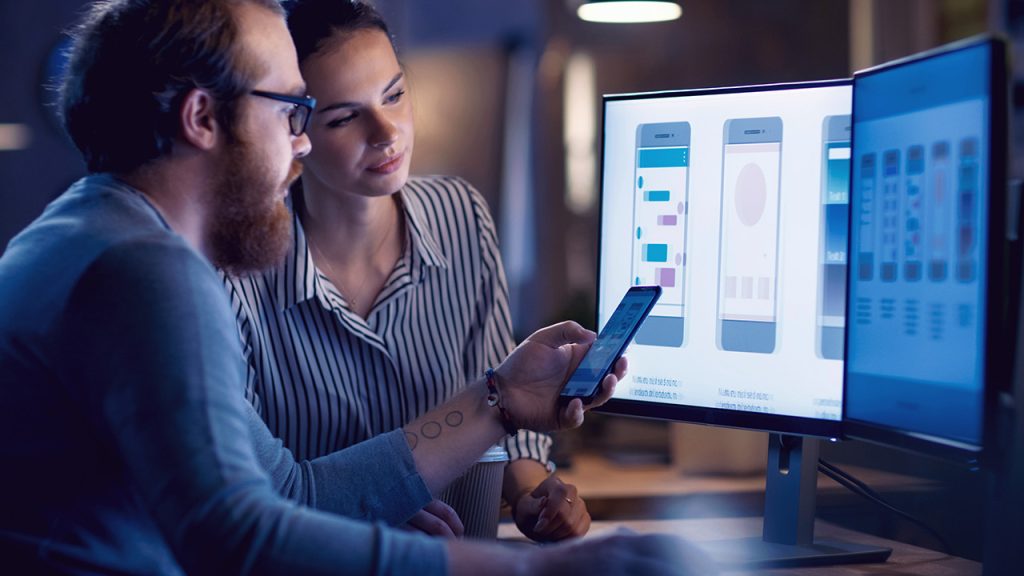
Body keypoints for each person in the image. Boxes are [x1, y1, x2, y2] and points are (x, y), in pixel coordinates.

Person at [0, 0, 717, 574]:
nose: (303, 142)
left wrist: (499, 399)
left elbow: (290, 496)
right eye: (293, 111)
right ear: (202, 118)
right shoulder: (146, 272)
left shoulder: (80, 237)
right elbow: (240, 544)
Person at [221, 0, 585, 542]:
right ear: (292, 129)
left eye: (394, 94)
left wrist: (535, 495)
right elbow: (243, 494)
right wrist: (357, 510)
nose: (387, 132)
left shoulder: (461, 214)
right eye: (345, 117)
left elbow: (504, 411)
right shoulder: (238, 270)